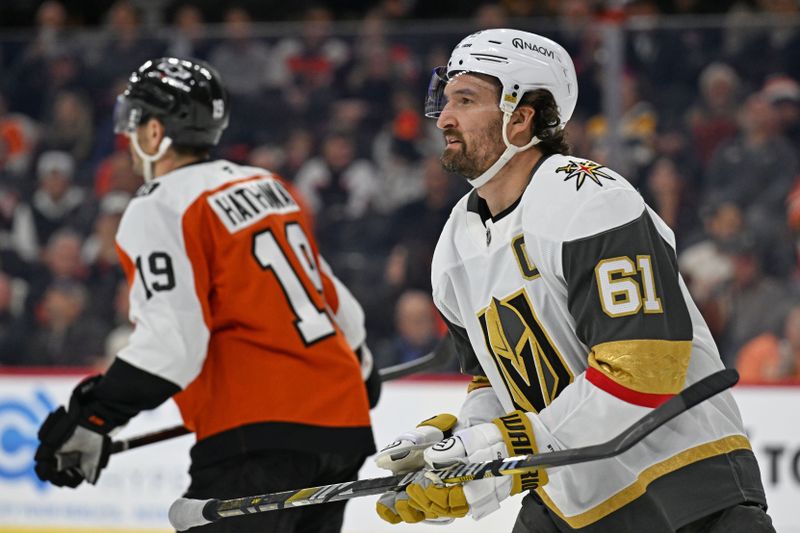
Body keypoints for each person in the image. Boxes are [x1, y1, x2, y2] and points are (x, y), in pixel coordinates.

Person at [372, 29, 774, 533]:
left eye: (466, 99)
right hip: (569, 501)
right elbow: (496, 380)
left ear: (520, 119)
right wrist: (463, 450)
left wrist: (509, 447)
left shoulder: (589, 196)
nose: (444, 118)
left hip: (682, 485)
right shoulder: (453, 243)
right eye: (445, 98)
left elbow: (644, 366)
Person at [33, 57, 380, 533]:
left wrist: (92, 415)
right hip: (343, 426)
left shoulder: (160, 205)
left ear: (155, 133)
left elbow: (173, 345)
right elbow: (341, 308)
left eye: (134, 121)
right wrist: (361, 368)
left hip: (257, 433)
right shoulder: (267, 185)